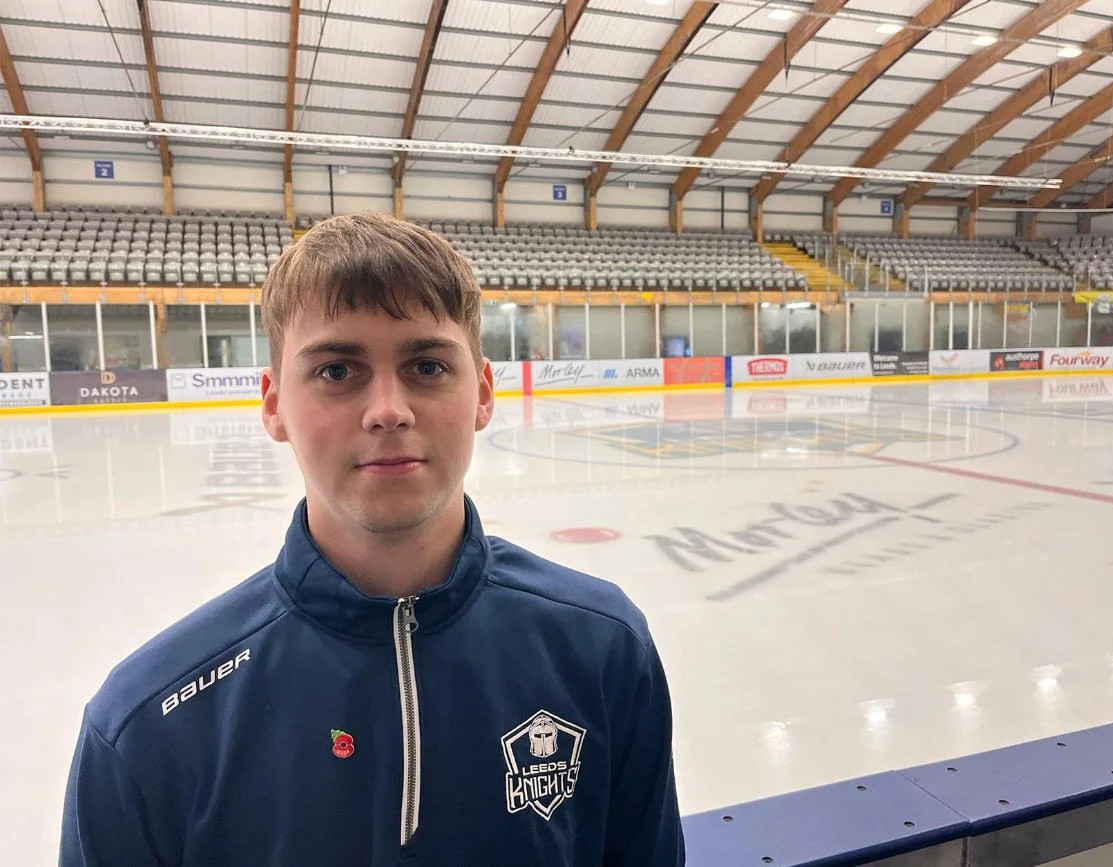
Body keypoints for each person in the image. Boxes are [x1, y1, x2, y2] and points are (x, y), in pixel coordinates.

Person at [59, 213, 685, 866]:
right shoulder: (147, 722)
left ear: (483, 392)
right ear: (272, 404)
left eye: (426, 365)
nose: (388, 408)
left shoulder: (603, 645)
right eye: (336, 371)